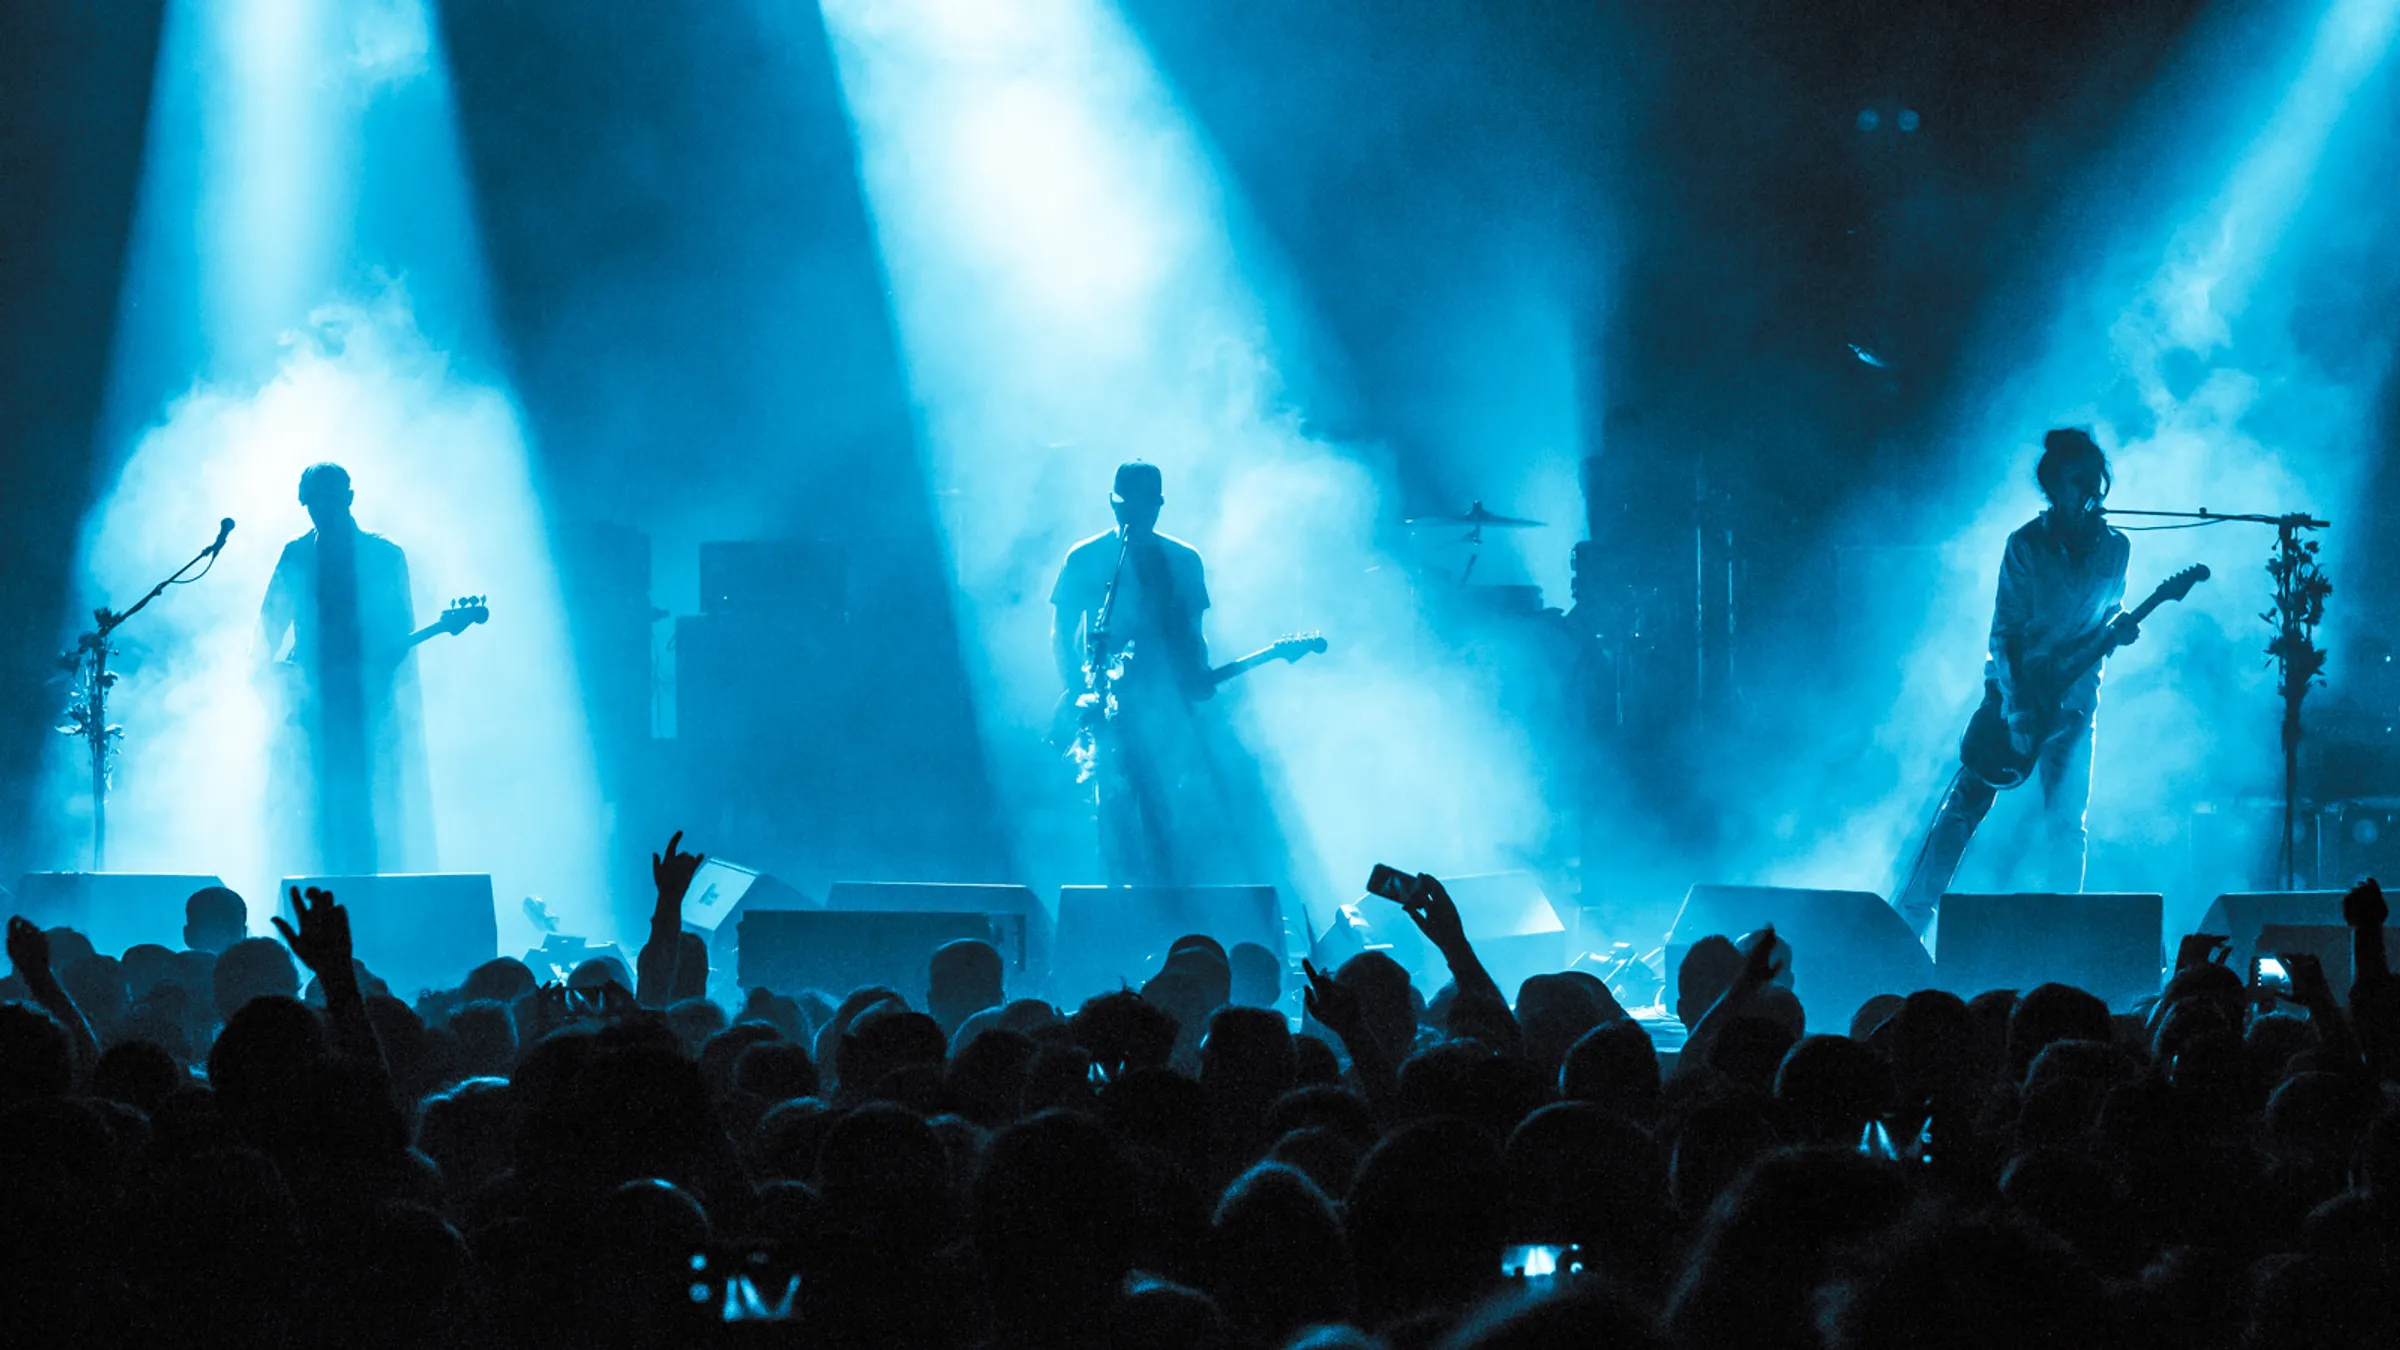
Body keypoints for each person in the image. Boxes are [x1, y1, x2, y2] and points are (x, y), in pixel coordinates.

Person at [1894, 429, 2136, 936]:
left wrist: (2118, 631)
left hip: (2075, 706)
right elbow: (2004, 636)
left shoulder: (2117, 548)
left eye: (2096, 478)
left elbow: (2104, 618)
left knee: (2068, 825)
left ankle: (2064, 939)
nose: (2091, 489)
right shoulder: (2026, 545)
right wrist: (2019, 708)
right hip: (2013, 700)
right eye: (2079, 480)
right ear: (2054, 487)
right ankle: (1907, 926)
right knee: (1962, 811)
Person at [257, 462, 434, 875]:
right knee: (302, 801)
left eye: (329, 502)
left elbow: (400, 630)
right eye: (312, 504)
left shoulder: (383, 555)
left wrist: (371, 668)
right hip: (305, 699)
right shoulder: (297, 553)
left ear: (349, 499)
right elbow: (269, 621)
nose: (320, 511)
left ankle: (362, 885)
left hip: (364, 703)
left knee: (362, 800)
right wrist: (263, 671)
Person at [1050, 461, 1215, 883]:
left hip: (1165, 705)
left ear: (1159, 504)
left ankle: (1168, 895)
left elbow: (1194, 631)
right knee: (1112, 807)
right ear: (1112, 502)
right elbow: (1062, 630)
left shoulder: (1183, 559)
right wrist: (1077, 690)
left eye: (1145, 505)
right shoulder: (1085, 556)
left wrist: (1198, 672)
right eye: (1126, 504)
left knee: (1166, 807)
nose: (1135, 514)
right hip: (1106, 704)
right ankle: (1115, 893)